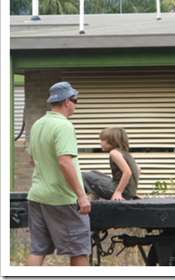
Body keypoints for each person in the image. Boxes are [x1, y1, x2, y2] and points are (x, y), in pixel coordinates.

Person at [25, 82, 91, 266]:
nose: (76, 105)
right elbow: (64, 162)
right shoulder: (64, 126)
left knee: (38, 249)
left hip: (37, 196)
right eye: (76, 101)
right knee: (79, 251)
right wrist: (81, 196)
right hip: (62, 199)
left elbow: (32, 160)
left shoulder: (38, 124)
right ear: (68, 101)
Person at [82, 127, 141, 201]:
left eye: (103, 140)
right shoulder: (125, 153)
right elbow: (137, 169)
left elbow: (127, 172)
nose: (100, 142)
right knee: (94, 173)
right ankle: (93, 202)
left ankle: (81, 201)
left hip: (120, 192)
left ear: (112, 141)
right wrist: (132, 191)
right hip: (126, 192)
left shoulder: (114, 153)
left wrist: (118, 192)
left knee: (85, 176)